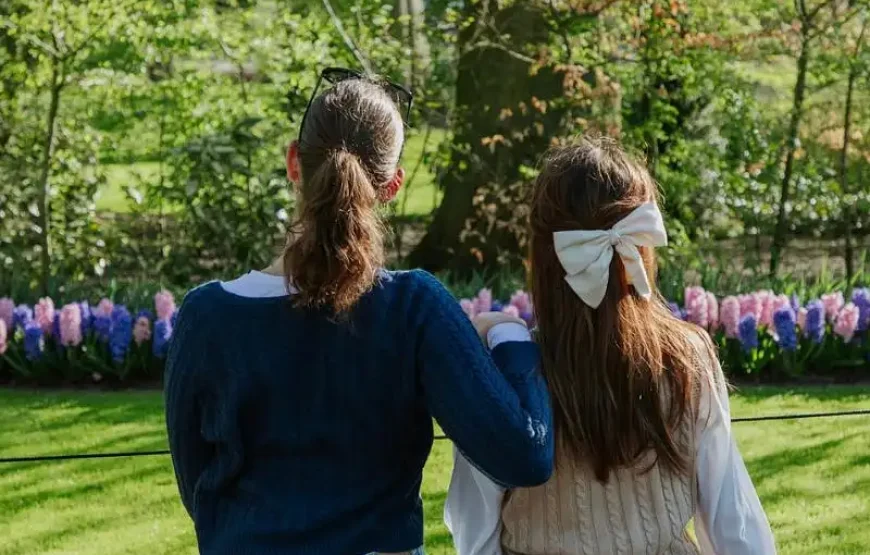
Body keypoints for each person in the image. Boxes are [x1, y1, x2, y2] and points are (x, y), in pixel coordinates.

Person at [164, 69, 553, 555]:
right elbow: (525, 453)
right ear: (391, 186)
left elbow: (198, 485)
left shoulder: (206, 317)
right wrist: (511, 338)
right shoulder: (413, 307)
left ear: (292, 162)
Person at [446, 138, 776, 554]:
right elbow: (734, 522)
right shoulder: (687, 358)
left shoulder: (502, 374)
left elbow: (476, 531)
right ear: (641, 245)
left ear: (542, 255)